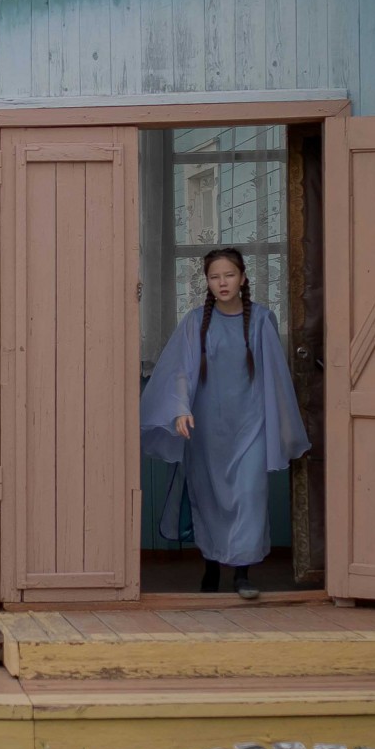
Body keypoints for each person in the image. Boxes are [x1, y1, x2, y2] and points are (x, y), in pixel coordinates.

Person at [140, 247, 308, 599]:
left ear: (243, 278)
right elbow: (181, 372)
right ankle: (212, 567)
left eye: (229, 275)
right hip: (205, 430)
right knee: (210, 500)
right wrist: (180, 409)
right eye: (215, 277)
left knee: (248, 496)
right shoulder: (194, 321)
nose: (222, 282)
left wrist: (282, 427)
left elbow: (275, 377)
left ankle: (243, 574)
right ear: (207, 283)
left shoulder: (262, 319)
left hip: (251, 426)